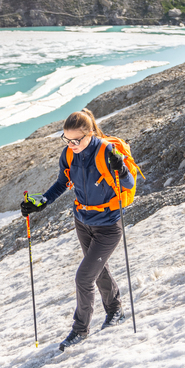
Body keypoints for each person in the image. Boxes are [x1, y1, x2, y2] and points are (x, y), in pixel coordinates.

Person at [21, 108, 134, 351]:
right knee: (97, 270)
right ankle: (115, 310)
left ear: (90, 133)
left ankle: (80, 329)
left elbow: (129, 182)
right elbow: (62, 183)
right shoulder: (69, 155)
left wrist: (121, 168)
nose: (71, 145)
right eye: (67, 140)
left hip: (108, 225)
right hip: (82, 222)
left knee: (84, 277)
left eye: (76, 140)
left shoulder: (106, 151)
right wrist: (41, 202)